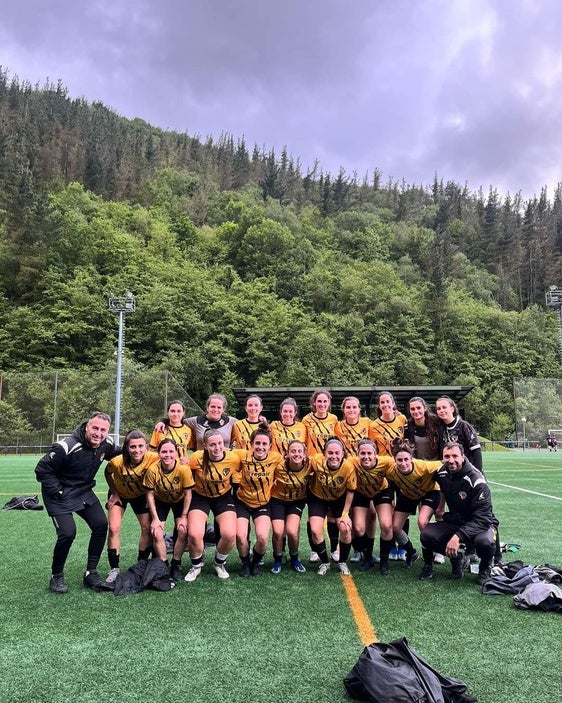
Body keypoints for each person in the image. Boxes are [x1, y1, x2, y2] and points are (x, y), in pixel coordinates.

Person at [35, 411, 120, 594]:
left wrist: (147, 453)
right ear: (87, 427)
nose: (98, 433)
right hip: (59, 494)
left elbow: (123, 453)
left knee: (100, 524)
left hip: (83, 491)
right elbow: (41, 470)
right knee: (68, 533)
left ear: (108, 432)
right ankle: (56, 576)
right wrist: (57, 490)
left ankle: (91, 573)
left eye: (103, 430)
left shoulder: (107, 444)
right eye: (95, 428)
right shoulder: (66, 446)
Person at [419, 442, 496, 584]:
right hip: (456, 520)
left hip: (480, 523)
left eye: (455, 456)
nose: (451, 460)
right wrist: (439, 507)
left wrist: (457, 537)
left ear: (463, 457)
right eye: (446, 456)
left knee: (485, 542)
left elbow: (484, 518)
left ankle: (485, 568)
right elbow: (439, 488)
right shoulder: (442, 472)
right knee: (427, 535)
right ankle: (457, 559)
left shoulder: (477, 480)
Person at [104, 429, 159, 582]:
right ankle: (114, 569)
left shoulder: (154, 458)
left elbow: (169, 458)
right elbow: (107, 473)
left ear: (146, 446)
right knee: (114, 528)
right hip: (120, 496)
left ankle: (141, 564)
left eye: (141, 446)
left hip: (141, 496)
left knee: (147, 528)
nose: (137, 450)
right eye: (133, 447)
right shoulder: (117, 461)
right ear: (127, 447)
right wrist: (114, 492)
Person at [184, 429, 239, 581]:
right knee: (194, 534)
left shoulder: (233, 458)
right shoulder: (196, 458)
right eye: (213, 444)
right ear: (205, 446)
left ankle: (219, 563)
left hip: (223, 497)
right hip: (200, 497)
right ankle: (196, 565)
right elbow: (186, 471)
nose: (217, 447)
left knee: (229, 534)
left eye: (220, 443)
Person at [232, 422, 284, 576]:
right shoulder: (242, 455)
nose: (260, 447)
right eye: (257, 443)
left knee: (262, 537)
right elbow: (222, 456)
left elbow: (291, 465)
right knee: (241, 536)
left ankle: (256, 562)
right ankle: (245, 563)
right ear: (251, 444)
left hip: (263, 503)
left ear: (270, 445)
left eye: (264, 444)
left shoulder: (276, 458)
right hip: (242, 502)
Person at [386, 439, 442, 575]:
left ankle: (428, 564)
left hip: (429, 492)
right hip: (409, 494)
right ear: (394, 460)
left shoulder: (423, 466)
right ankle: (411, 552)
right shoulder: (391, 471)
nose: (403, 463)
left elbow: (442, 464)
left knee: (422, 522)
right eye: (399, 460)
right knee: (395, 528)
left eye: (406, 459)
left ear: (411, 457)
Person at [143, 438, 194, 581]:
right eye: (164, 451)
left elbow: (188, 493)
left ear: (176, 453)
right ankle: (163, 564)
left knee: (183, 530)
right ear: (159, 453)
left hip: (179, 500)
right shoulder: (153, 470)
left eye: (171, 451)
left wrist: (184, 516)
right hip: (161, 502)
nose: (168, 455)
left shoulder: (183, 469)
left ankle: (176, 563)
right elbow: (149, 494)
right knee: (156, 532)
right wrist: (155, 519)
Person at [307, 437, 356, 576]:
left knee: (345, 528)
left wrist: (345, 513)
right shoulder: (316, 461)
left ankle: (342, 562)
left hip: (338, 499)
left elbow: (351, 491)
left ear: (342, 454)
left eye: (337, 453)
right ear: (324, 454)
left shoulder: (348, 467)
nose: (334, 456)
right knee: (315, 530)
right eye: (330, 453)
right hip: (318, 498)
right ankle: (324, 562)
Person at [302, 389, 338, 562]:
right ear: (314, 403)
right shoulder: (306, 420)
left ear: (329, 403)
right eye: (319, 401)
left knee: (332, 513)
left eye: (325, 401)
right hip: (313, 469)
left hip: (331, 469)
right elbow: (303, 443)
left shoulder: (334, 419)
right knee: (313, 514)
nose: (322, 404)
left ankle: (334, 548)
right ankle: (315, 549)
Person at [350, 439, 394, 574]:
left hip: (381, 492)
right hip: (361, 493)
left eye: (369, 453)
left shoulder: (386, 461)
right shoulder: (352, 462)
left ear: (375, 454)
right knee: (358, 528)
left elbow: (401, 468)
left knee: (386, 525)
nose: (366, 456)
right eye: (362, 453)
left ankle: (384, 561)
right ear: (357, 454)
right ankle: (367, 557)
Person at [270, 439, 310, 574]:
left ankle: (295, 558)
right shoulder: (278, 466)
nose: (296, 454)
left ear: (305, 455)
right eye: (293, 451)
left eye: (299, 451)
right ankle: (278, 559)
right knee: (278, 531)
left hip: (296, 501)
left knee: (292, 531)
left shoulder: (309, 465)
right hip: (278, 500)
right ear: (287, 454)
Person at [435, 396, 483, 471]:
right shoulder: (440, 428)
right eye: (439, 408)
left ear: (452, 409)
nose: (441, 410)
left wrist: (478, 472)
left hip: (467, 470)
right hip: (450, 471)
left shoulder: (463, 426)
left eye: (444, 407)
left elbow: (476, 450)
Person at [369, 391, 407, 456]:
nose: (385, 404)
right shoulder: (373, 426)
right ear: (379, 406)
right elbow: (373, 449)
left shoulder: (402, 419)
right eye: (382, 402)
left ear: (393, 404)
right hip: (384, 463)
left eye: (388, 401)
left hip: (401, 462)